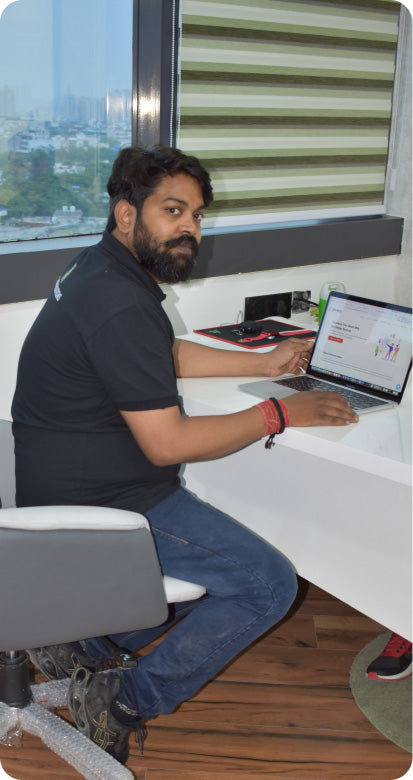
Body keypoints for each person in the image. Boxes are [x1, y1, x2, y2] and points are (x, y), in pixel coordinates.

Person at [11, 145, 359, 764]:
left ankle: (83, 644)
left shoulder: (100, 269)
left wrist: (264, 363)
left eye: (196, 215)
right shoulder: (118, 298)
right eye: (173, 210)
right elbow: (167, 443)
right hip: (105, 503)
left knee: (209, 578)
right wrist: (279, 412)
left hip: (66, 481)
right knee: (266, 585)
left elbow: (158, 352)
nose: (190, 228)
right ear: (127, 214)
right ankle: (124, 700)